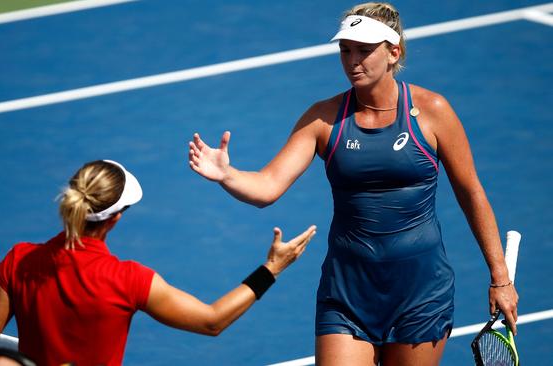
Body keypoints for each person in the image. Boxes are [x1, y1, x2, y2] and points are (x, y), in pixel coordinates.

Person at [188, 2, 518, 365]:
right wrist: (227, 175)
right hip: (347, 296)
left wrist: (500, 278)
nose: (352, 61)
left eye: (364, 50)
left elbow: (471, 192)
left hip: (420, 295)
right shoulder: (323, 119)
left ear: (394, 52)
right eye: (345, 50)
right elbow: (267, 187)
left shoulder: (433, 112)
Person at [0, 159, 316, 366]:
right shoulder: (128, 280)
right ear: (116, 218)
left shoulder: (20, 260)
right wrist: (271, 269)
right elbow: (212, 321)